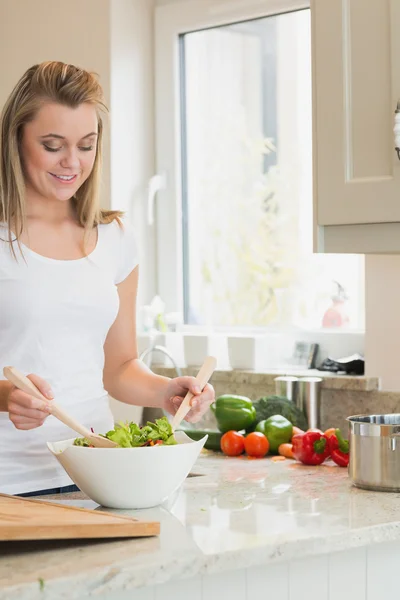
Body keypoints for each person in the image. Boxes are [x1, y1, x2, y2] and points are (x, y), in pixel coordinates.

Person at [0, 61, 215, 497]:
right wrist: (5, 396)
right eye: (52, 144)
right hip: (9, 483)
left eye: (86, 145)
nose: (71, 163)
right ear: (16, 140)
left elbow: (118, 368)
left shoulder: (115, 238)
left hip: (95, 477)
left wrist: (167, 391)